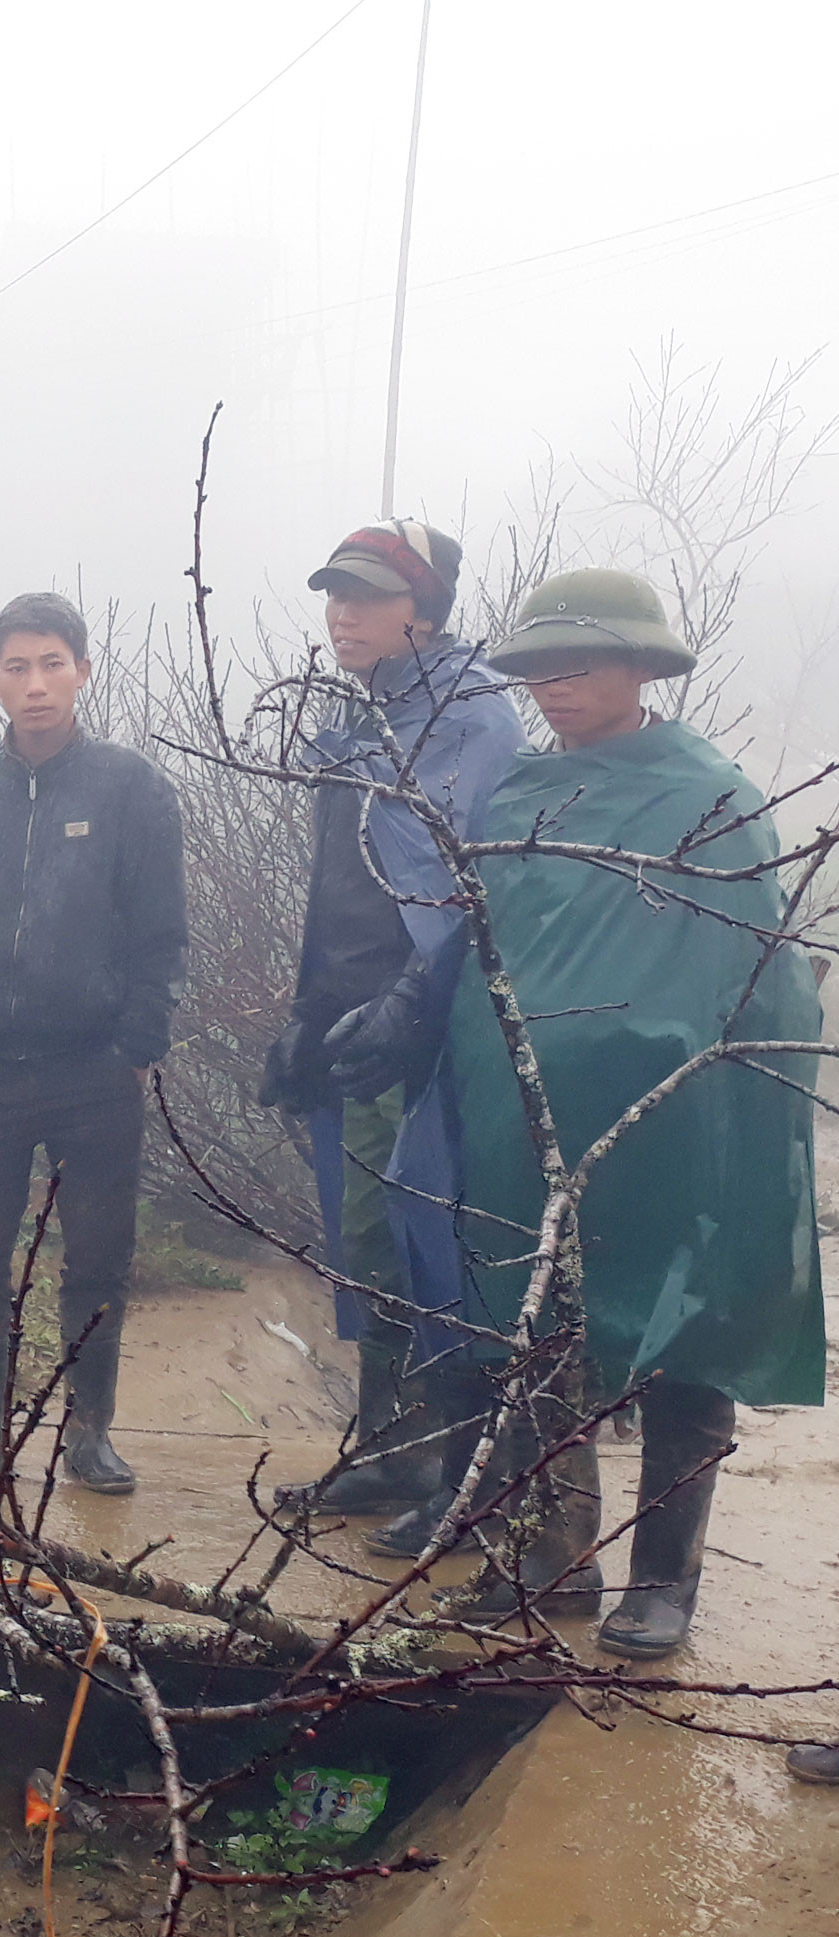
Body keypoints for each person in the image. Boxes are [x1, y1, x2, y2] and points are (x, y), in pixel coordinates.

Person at [372, 570, 820, 1658]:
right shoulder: (522, 794)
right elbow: (491, 952)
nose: (554, 687)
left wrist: (683, 1061)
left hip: (675, 1117)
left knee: (680, 1324)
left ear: (640, 668)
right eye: (536, 669)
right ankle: (551, 1556)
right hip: (528, 1116)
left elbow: (759, 976)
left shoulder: (707, 795)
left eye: (579, 664)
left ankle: (665, 1579)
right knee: (531, 1327)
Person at [259, 522, 523, 1532]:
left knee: (427, 1240)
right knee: (361, 1237)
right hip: (352, 1022)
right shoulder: (364, 726)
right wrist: (306, 1014)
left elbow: (466, 893)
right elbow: (347, 897)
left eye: (366, 596)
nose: (342, 614)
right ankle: (391, 1445)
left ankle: (454, 1468)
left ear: (423, 609)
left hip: (428, 1033)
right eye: (334, 594)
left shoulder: (470, 723)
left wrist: (410, 1008)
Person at [0, 592, 188, 1496]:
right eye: (17, 668)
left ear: (83, 670)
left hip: (91, 1069)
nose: (35, 684)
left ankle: (88, 1432)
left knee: (96, 1257)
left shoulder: (132, 790)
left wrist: (136, 1042)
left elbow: (160, 934)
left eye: (52, 663)